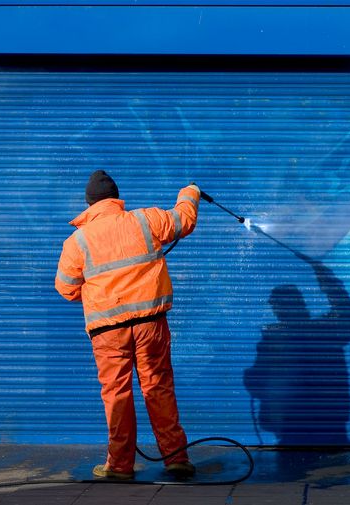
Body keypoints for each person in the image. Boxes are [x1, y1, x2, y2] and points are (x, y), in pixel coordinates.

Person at [55, 170, 200, 481]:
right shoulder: (145, 220)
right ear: (116, 199)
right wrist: (190, 191)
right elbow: (183, 220)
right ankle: (175, 458)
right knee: (158, 386)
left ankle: (120, 466)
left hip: (108, 331)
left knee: (117, 393)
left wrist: (101, 292)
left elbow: (66, 288)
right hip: (151, 324)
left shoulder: (77, 241)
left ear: (89, 204)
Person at [243, 260, 350, 446]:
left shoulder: (278, 338)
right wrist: (330, 283)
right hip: (326, 425)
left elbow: (257, 382)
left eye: (277, 305)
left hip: (295, 429)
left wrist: (250, 377)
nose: (275, 310)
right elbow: (349, 316)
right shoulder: (323, 329)